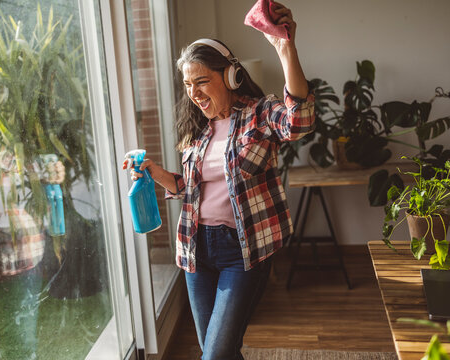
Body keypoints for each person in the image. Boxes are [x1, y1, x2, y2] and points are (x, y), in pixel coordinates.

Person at [123, 3, 314, 359]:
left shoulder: (258, 115)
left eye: (201, 81)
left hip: (242, 249)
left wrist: (285, 48)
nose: (193, 93)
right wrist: (156, 172)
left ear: (229, 76)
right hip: (196, 249)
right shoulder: (197, 130)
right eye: (187, 85)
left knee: (215, 354)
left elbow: (298, 120)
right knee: (220, 351)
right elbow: (192, 191)